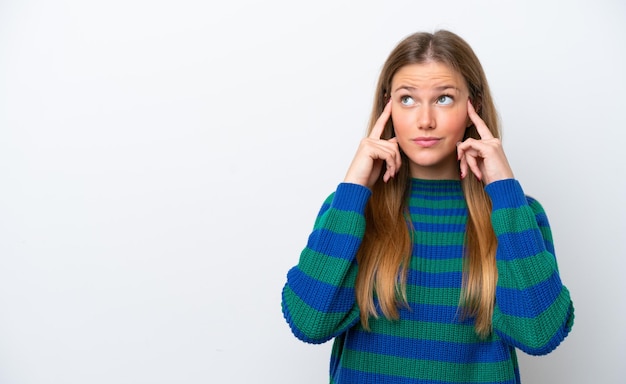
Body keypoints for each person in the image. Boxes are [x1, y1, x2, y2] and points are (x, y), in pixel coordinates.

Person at [280, 30, 574, 383]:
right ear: (387, 108)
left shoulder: (517, 214)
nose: (425, 120)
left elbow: (540, 333)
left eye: (444, 99)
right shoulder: (351, 210)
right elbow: (310, 322)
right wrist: (353, 186)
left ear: (473, 108)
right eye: (407, 100)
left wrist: (504, 190)